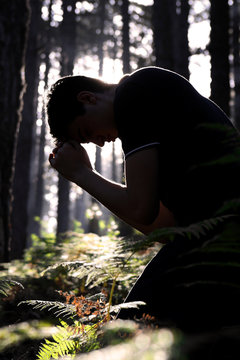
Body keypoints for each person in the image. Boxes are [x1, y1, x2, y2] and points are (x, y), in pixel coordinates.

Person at [47, 66, 240, 330]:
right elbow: (164, 228)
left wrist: (82, 174)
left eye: (86, 133)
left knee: (127, 333)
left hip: (221, 237)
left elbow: (142, 210)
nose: (100, 143)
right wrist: (84, 175)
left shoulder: (135, 92)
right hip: (211, 239)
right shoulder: (148, 102)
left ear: (88, 98)